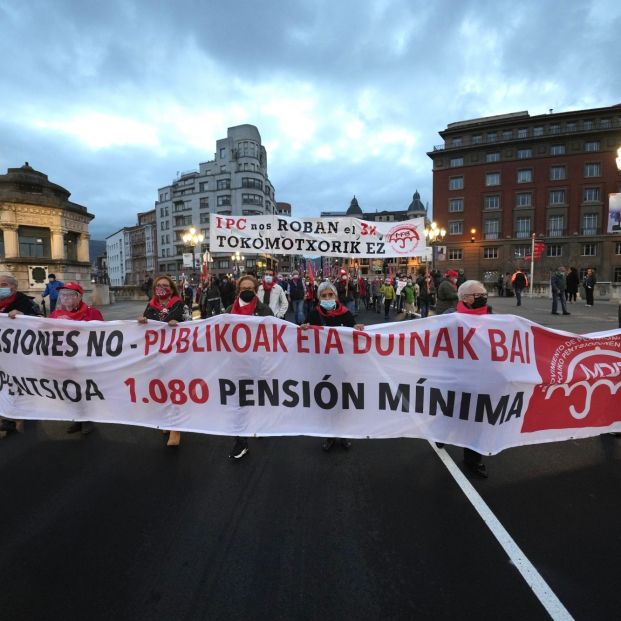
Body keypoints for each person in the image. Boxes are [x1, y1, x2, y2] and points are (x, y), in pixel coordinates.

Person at [437, 279, 492, 478]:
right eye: (479, 295)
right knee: (451, 410)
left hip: (480, 377)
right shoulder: (450, 317)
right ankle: (441, 433)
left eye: (484, 294)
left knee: (477, 418)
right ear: (466, 298)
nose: (484, 298)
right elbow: (426, 334)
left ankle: (473, 460)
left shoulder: (492, 316)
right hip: (455, 375)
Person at [301, 281, 364, 452]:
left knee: (343, 401)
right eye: (324, 296)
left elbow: (353, 334)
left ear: (336, 296)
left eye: (330, 295)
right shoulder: (314, 314)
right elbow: (305, 332)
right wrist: (304, 328)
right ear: (319, 298)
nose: (328, 298)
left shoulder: (346, 313)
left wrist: (357, 328)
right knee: (327, 400)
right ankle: (329, 435)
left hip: (343, 366)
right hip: (322, 365)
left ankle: (343, 433)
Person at [138, 275, 191, 447]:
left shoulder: (180, 305)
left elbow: (191, 325)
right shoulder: (151, 305)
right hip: (157, 355)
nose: (161, 288)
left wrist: (180, 323)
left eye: (165, 285)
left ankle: (176, 428)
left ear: (172, 288)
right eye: (158, 285)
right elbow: (146, 329)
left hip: (176, 355)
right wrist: (142, 322)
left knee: (175, 389)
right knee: (161, 390)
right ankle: (168, 421)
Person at [225, 275, 274, 460]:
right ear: (238, 290)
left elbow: (275, 332)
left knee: (258, 396)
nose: (247, 291)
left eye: (250, 288)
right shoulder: (230, 310)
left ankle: (258, 425)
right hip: (236, 364)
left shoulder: (263, 310)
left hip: (258, 362)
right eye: (243, 287)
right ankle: (241, 441)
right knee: (239, 401)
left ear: (255, 290)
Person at [49, 282, 104, 435]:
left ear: (79, 297)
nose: (65, 297)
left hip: (84, 361)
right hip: (63, 361)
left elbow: (101, 335)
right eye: (63, 294)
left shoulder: (92, 313)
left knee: (85, 391)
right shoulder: (54, 315)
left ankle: (87, 419)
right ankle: (77, 418)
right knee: (69, 390)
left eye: (70, 294)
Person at [0, 273, 41, 434]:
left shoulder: (26, 303)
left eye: (3, 284)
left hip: (20, 355)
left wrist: (25, 317)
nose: (0, 288)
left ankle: (13, 417)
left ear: (14, 288)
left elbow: (41, 323)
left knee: (15, 384)